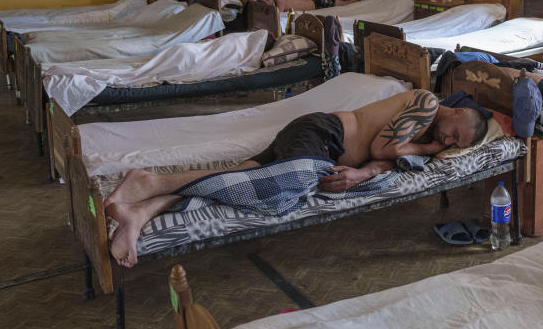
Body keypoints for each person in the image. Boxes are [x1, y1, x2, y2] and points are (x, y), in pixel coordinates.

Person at [104, 89, 488, 267]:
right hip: (322, 135)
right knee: (287, 187)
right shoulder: (427, 104)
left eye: (455, 144)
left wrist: (363, 174)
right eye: (453, 134)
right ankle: (152, 180)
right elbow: (385, 150)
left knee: (246, 180)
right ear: (455, 112)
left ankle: (144, 208)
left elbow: (380, 161)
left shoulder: (423, 130)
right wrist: (430, 151)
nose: (447, 142)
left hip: (319, 147)